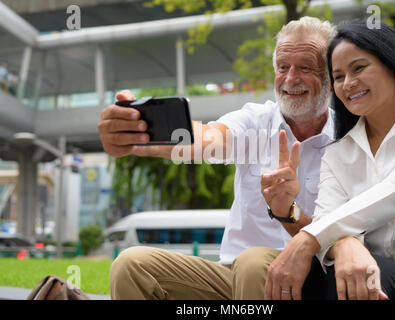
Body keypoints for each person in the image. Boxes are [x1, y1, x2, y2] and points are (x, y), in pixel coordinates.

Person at [97, 16, 336, 299]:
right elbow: (208, 138)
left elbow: (340, 243)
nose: (290, 79)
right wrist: (140, 133)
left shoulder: (350, 139)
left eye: (305, 68)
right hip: (233, 279)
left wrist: (289, 210)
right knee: (131, 264)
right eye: (283, 67)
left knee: (254, 262)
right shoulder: (255, 120)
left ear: (331, 77)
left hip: (311, 284)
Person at [256, 19, 395, 300]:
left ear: (393, 65)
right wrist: (346, 244)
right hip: (370, 269)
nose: (348, 83)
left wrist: (310, 237)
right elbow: (327, 219)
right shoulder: (338, 152)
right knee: (317, 274)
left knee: (361, 273)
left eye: (359, 68)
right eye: (338, 76)